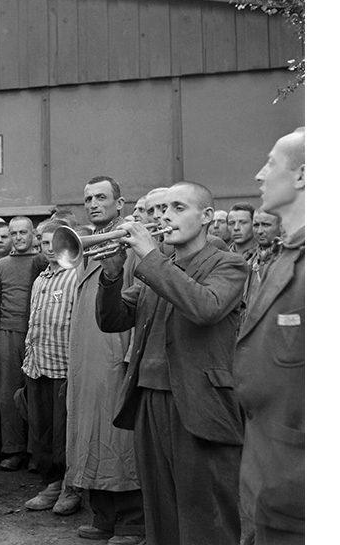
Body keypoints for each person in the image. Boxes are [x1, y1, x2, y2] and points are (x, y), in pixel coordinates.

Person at [97, 181, 247, 545]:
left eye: (179, 208)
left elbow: (205, 307)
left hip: (198, 402)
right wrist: (113, 274)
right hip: (149, 400)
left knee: (205, 514)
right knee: (160, 512)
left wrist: (150, 258)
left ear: (207, 216)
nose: (165, 216)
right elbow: (113, 320)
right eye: (163, 209)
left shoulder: (229, 264)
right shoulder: (159, 269)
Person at [234, 128, 305, 545]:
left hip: (299, 485)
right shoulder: (285, 255)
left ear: (302, 175)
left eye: (272, 163)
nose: (261, 175)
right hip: (266, 476)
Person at [67, 177, 145, 544]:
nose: (93, 204)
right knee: (89, 433)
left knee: (119, 437)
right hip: (87, 357)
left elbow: (136, 303)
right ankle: (103, 515)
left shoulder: (131, 244)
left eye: (101, 197)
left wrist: (129, 358)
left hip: (115, 354)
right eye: (88, 198)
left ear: (121, 202)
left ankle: (132, 520)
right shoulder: (86, 245)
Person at [21, 221, 79, 513]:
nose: (51, 249)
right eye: (45, 244)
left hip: (64, 367)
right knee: (40, 430)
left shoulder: (75, 277)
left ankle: (71, 487)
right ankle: (51, 484)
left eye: (57, 243)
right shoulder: (40, 279)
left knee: (63, 433)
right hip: (37, 365)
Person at [0, 216, 46, 471]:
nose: (17, 237)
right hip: (8, 333)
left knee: (37, 393)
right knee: (8, 394)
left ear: (33, 234)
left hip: (37, 332)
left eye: (23, 232)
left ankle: (37, 451)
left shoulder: (43, 261)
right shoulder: (1, 265)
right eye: (13, 233)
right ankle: (13, 449)